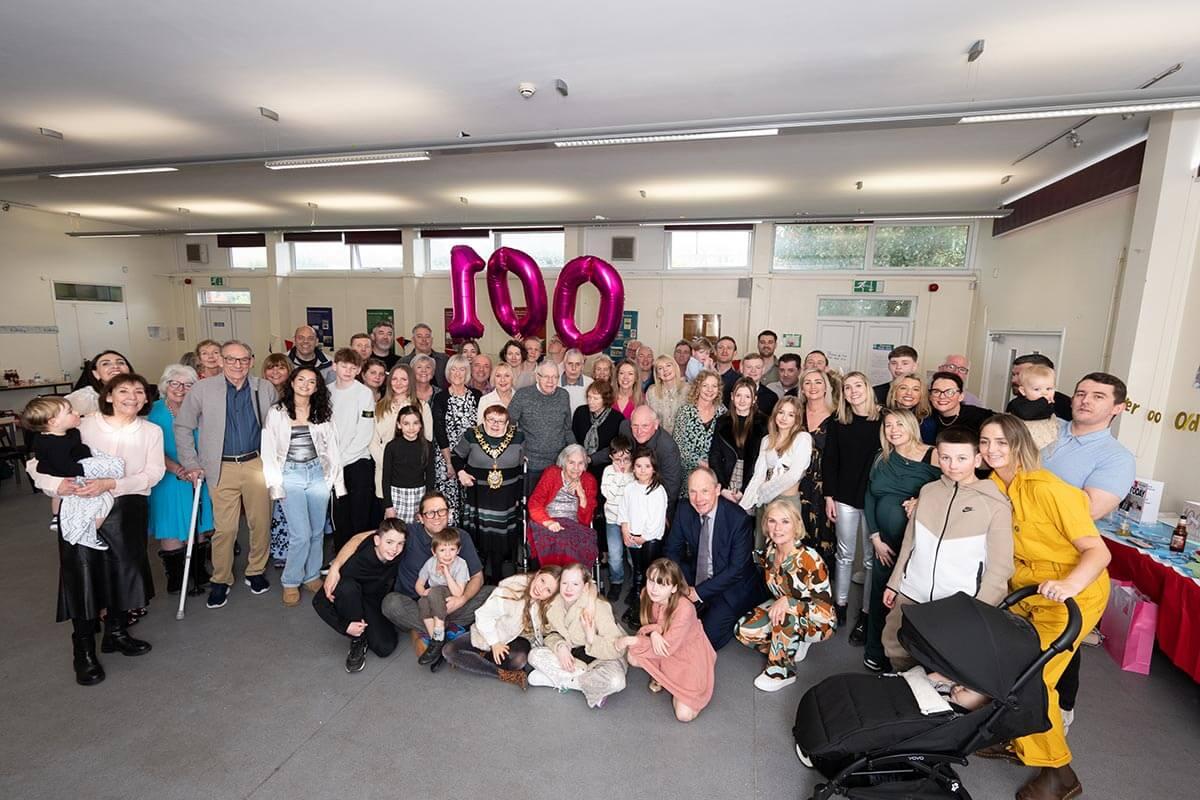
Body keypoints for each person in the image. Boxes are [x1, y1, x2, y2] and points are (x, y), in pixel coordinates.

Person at [976, 415, 1110, 800]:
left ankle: (1059, 772)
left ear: (1020, 445)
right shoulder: (990, 487)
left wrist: (1069, 584)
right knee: (1001, 665)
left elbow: (1097, 552)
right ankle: (1016, 738)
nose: (991, 450)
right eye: (985, 442)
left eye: (1001, 443)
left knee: (1034, 678)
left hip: (1073, 595)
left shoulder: (1052, 489)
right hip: (1026, 591)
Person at [28, 373, 165, 685]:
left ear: (146, 399)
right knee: (83, 576)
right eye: (123, 390)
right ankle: (84, 648)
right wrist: (58, 486)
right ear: (108, 396)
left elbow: (153, 473)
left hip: (128, 506)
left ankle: (116, 633)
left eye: (139, 391)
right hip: (79, 507)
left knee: (123, 571)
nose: (132, 396)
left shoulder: (151, 431)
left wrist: (111, 483)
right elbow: (39, 463)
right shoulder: (85, 423)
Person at [1040, 372, 1135, 733]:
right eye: (1081, 393)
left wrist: (1034, 494)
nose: (1084, 400)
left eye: (1097, 396)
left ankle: (1058, 718)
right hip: (1020, 549)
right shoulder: (1050, 430)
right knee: (1019, 636)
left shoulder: (1117, 458)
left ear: (1118, 408)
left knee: (1061, 643)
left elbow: (1090, 509)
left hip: (1066, 560)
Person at [882, 426, 1014, 668]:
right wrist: (895, 582)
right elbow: (910, 542)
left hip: (956, 604)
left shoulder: (995, 504)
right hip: (912, 593)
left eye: (961, 458)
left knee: (943, 663)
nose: (953, 465)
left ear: (977, 459)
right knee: (897, 649)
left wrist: (978, 610)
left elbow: (1001, 567)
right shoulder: (928, 492)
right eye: (945, 458)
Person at [174, 340, 277, 609]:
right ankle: (221, 579)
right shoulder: (203, 389)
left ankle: (255, 571)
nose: (237, 365)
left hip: (257, 463)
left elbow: (280, 425)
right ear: (220, 360)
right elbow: (183, 426)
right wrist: (191, 462)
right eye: (231, 359)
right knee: (226, 528)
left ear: (251, 361)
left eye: (243, 359)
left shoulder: (264, 388)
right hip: (220, 466)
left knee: (261, 522)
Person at [343, 492, 490, 658]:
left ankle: (433, 632)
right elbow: (359, 539)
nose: (437, 517)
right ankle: (446, 630)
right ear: (420, 517)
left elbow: (478, 577)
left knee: (493, 593)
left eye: (442, 511)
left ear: (449, 513)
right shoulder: (409, 533)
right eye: (430, 513)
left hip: (451, 604)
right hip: (417, 606)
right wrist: (334, 570)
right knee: (391, 604)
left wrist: (461, 600)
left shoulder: (461, 536)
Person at [861, 408, 940, 671]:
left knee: (907, 600)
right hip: (884, 545)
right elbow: (870, 497)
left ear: (911, 426)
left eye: (899, 424)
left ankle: (906, 656)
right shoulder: (881, 458)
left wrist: (922, 500)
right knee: (879, 594)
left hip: (917, 547)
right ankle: (875, 650)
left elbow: (952, 490)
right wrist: (875, 538)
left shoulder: (934, 455)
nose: (893, 430)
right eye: (888, 426)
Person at [262, 366, 345, 607]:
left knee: (317, 531)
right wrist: (275, 485)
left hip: (318, 474)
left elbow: (333, 449)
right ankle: (290, 581)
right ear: (292, 382)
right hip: (290, 475)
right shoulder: (277, 412)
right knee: (300, 534)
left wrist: (336, 483)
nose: (306, 385)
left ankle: (310, 575)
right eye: (301, 380)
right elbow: (268, 451)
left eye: (311, 381)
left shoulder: (322, 412)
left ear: (317, 387)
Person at [735, 499, 836, 691]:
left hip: (818, 621)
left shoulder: (810, 560)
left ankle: (781, 671)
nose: (778, 528)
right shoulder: (771, 552)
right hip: (785, 607)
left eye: (785, 521)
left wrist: (790, 603)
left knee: (785, 615)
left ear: (796, 525)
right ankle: (792, 645)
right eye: (772, 521)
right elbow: (753, 558)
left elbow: (826, 613)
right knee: (743, 630)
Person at [664, 467, 766, 649]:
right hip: (696, 577)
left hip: (731, 587)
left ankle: (730, 620)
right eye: (693, 492)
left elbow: (736, 571)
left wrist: (698, 593)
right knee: (669, 623)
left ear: (718, 490)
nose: (698, 499)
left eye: (705, 491)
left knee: (704, 640)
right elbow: (672, 551)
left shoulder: (738, 519)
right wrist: (681, 585)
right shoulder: (684, 509)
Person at [618, 558, 716, 722]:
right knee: (633, 657)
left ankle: (671, 678)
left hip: (687, 654)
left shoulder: (685, 608)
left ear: (674, 588)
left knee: (684, 715)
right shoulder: (646, 594)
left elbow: (668, 648)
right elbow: (649, 625)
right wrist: (655, 632)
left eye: (662, 584)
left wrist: (632, 640)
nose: (654, 589)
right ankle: (663, 676)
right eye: (651, 581)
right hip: (663, 644)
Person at [23, 395, 123, 553]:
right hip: (69, 474)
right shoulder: (55, 444)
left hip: (67, 471)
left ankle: (58, 517)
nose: (76, 412)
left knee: (64, 496)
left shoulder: (63, 433)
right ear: (53, 422)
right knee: (104, 500)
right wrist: (85, 470)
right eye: (70, 411)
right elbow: (64, 467)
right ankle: (87, 531)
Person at [823, 370, 882, 632]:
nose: (853, 391)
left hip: (873, 496)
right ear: (843, 394)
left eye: (858, 385)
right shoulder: (839, 421)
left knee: (870, 558)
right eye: (847, 388)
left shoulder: (885, 419)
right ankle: (841, 605)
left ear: (867, 388)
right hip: (844, 495)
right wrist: (829, 496)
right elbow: (830, 461)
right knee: (845, 554)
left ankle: (867, 612)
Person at [147, 365, 214, 594]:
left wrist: (197, 468)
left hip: (199, 473)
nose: (181, 389)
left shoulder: (202, 409)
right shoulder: (153, 412)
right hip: (166, 474)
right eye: (175, 383)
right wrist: (176, 469)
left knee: (198, 522)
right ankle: (176, 576)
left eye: (188, 384)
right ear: (165, 386)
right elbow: (149, 448)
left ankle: (198, 571)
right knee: (172, 525)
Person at [442, 567, 562, 689]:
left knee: (519, 660)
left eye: (548, 590)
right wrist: (494, 643)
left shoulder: (543, 603)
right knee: (449, 651)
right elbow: (483, 615)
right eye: (542, 581)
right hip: (487, 634)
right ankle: (499, 673)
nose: (540, 589)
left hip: (513, 638)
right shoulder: (509, 592)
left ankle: (481, 657)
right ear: (537, 574)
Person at [527, 562, 628, 708]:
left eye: (575, 584)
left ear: (585, 587)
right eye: (565, 583)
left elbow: (616, 648)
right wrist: (559, 646)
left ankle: (560, 681)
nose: (568, 589)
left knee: (617, 681)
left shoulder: (598, 607)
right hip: (572, 656)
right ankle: (589, 685)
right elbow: (550, 633)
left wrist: (592, 638)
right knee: (534, 655)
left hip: (601, 658)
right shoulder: (554, 603)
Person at [313, 520, 406, 672]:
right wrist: (345, 627)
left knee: (385, 647)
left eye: (400, 543)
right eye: (389, 542)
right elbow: (318, 601)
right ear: (377, 540)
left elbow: (361, 537)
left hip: (372, 600)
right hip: (350, 596)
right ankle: (357, 639)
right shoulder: (357, 562)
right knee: (348, 588)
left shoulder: (397, 552)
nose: (394, 549)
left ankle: (367, 629)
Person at [452, 405, 526, 584]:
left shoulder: (518, 437)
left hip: (506, 497)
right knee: (478, 536)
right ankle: (478, 577)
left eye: (500, 421)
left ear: (507, 423)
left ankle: (498, 578)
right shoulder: (471, 435)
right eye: (491, 420)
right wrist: (461, 473)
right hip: (478, 494)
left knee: (500, 539)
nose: (495, 424)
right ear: (484, 420)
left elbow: (522, 469)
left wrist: (519, 496)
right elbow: (456, 456)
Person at [739, 396, 812, 547]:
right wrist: (745, 505)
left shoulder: (802, 439)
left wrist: (764, 492)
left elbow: (793, 476)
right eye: (781, 412)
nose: (784, 418)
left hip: (788, 502)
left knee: (787, 551)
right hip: (765, 503)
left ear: (797, 419)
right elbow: (759, 475)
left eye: (790, 414)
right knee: (763, 550)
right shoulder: (767, 440)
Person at [329, 348, 376, 551]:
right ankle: (340, 557)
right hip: (333, 463)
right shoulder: (326, 391)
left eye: (353, 367)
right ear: (334, 366)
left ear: (358, 370)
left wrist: (343, 458)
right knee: (340, 514)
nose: (348, 371)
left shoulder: (364, 393)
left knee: (359, 514)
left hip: (357, 462)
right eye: (343, 366)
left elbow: (364, 432)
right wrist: (332, 458)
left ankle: (359, 557)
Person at [618, 447, 670, 626]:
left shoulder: (658, 491)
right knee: (638, 570)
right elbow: (623, 509)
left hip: (650, 540)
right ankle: (637, 597)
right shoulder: (630, 488)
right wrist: (625, 529)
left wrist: (644, 537)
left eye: (647, 466)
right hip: (633, 537)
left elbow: (657, 520)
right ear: (633, 467)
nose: (642, 470)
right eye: (638, 466)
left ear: (654, 468)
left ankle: (647, 605)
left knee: (649, 572)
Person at [371, 364, 433, 513]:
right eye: (394, 379)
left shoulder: (422, 407)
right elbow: (372, 440)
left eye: (404, 379)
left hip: (413, 475)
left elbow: (427, 439)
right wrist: (387, 461)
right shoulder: (379, 407)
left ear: (410, 382)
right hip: (385, 472)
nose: (398, 383)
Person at [528, 444, 599, 567]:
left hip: (574, 526)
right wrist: (548, 522)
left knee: (579, 542)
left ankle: (573, 580)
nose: (576, 468)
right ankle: (556, 579)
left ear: (585, 465)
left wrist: (582, 496)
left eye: (580, 463)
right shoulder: (552, 473)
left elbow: (586, 521)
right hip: (547, 522)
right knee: (560, 542)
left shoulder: (589, 480)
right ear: (564, 462)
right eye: (571, 462)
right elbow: (534, 504)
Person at [506, 362, 573, 492]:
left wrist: (576, 452)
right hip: (532, 462)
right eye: (546, 377)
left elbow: (567, 429)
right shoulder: (523, 395)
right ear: (537, 377)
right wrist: (519, 451)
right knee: (533, 505)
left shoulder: (564, 395)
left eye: (554, 377)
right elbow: (509, 425)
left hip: (558, 462)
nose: (550, 381)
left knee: (555, 506)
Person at [431, 354, 482, 524]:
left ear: (467, 372)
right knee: (449, 503)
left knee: (470, 502)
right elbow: (439, 432)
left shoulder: (477, 395)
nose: (458, 373)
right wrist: (449, 463)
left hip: (472, 458)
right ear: (448, 372)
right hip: (447, 457)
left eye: (462, 369)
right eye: (454, 369)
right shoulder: (441, 398)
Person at [797, 368, 837, 575]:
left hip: (824, 485)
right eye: (808, 382)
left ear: (826, 388)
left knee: (823, 535)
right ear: (802, 388)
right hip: (796, 482)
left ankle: (821, 585)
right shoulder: (795, 413)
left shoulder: (837, 416)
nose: (813, 387)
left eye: (818, 382)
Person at [414, 527, 470, 666]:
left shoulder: (461, 564)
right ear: (434, 552)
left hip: (451, 597)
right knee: (422, 601)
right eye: (442, 550)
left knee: (435, 591)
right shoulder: (430, 563)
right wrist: (423, 592)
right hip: (434, 599)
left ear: (458, 550)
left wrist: (446, 573)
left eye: (452, 549)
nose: (447, 555)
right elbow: (419, 584)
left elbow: (458, 593)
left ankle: (438, 637)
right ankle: (436, 642)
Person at [708, 377, 768, 504]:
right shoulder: (722, 421)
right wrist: (723, 488)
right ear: (732, 396)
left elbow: (761, 460)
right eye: (739, 395)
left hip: (752, 480)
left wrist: (745, 489)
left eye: (747, 396)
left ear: (754, 400)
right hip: (726, 478)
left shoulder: (764, 423)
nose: (742, 400)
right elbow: (715, 456)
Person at [618, 406, 683, 518]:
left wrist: (656, 514)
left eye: (645, 426)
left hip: (655, 501)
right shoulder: (625, 428)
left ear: (656, 424)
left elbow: (671, 488)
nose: (639, 431)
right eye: (635, 426)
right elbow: (617, 452)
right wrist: (589, 459)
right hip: (629, 494)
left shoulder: (668, 448)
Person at [672, 369, 726, 491]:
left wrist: (713, 466)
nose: (710, 390)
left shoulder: (722, 412)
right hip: (688, 474)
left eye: (714, 386)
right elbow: (678, 446)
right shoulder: (685, 412)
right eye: (705, 385)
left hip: (714, 474)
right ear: (698, 387)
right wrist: (700, 463)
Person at [382, 406, 436, 524]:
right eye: (406, 423)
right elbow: (386, 478)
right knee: (396, 533)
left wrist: (426, 504)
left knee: (417, 532)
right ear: (399, 425)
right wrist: (388, 506)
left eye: (415, 423)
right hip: (396, 496)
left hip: (419, 496)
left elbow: (430, 476)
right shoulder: (391, 447)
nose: (411, 428)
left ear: (421, 425)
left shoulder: (427, 446)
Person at [600, 436, 635, 601]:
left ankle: (636, 584)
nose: (622, 464)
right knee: (615, 554)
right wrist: (621, 476)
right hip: (613, 520)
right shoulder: (608, 472)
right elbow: (610, 495)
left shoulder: (634, 472)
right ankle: (617, 581)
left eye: (626, 459)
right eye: (618, 460)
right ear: (611, 458)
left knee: (632, 554)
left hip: (632, 521)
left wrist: (627, 474)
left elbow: (632, 496)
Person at [920, 370, 994, 445]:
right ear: (930, 396)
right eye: (936, 391)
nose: (942, 396)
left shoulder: (979, 416)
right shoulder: (926, 417)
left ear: (961, 396)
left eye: (949, 392)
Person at [1006, 363, 1060, 450]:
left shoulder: (1049, 404)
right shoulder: (1017, 404)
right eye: (1037, 389)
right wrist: (1043, 401)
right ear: (1023, 391)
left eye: (1049, 388)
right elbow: (1027, 414)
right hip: (1024, 445)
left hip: (1046, 444)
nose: (1044, 393)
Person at [65, 349, 134, 417]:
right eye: (105, 364)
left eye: (121, 363)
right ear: (96, 374)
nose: (115, 366)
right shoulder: (84, 398)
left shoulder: (140, 394)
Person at [572, 380, 622, 472]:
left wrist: (591, 459)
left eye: (595, 398)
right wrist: (579, 457)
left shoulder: (617, 418)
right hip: (578, 464)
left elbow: (614, 448)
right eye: (589, 397)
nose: (591, 402)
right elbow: (573, 437)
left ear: (606, 399)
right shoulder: (580, 412)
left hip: (604, 468)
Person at [1011, 354, 1072, 421]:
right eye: (1013, 374)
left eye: (1020, 374)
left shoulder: (1065, 404)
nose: (1013, 380)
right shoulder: (1015, 404)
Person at [645, 355, 688, 435]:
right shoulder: (651, 391)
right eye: (660, 368)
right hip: (658, 439)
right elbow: (647, 418)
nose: (665, 370)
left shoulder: (688, 389)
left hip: (683, 439)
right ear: (657, 374)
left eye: (668, 365)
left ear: (675, 368)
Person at [559, 348, 593, 413]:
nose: (573, 368)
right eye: (570, 363)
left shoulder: (590, 383)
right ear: (564, 365)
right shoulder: (554, 383)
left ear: (582, 366)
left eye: (577, 364)